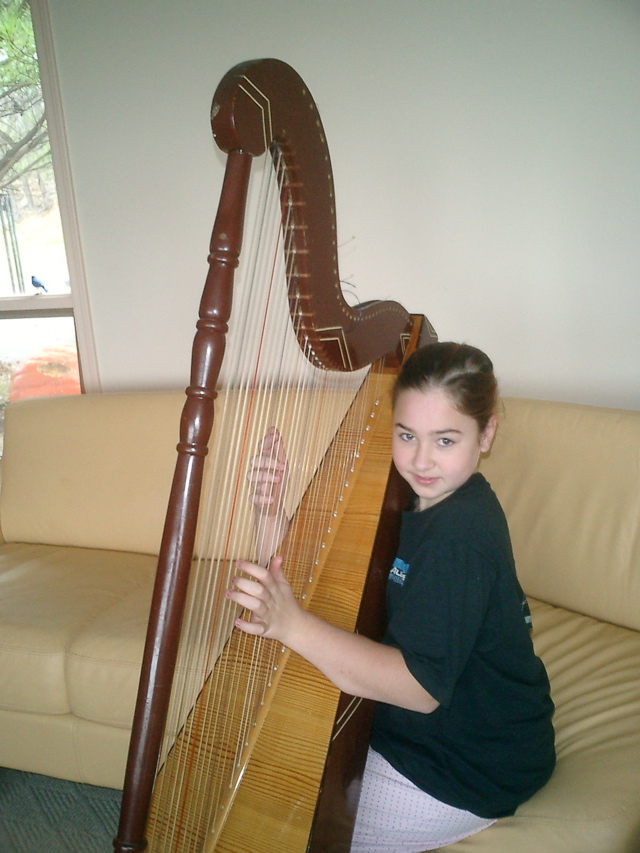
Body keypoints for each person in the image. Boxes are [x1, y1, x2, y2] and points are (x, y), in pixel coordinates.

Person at [227, 342, 556, 852]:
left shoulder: (460, 533)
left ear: (486, 433)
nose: (421, 459)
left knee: (283, 821)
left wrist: (291, 625)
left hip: (471, 763)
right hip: (408, 733)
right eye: (407, 435)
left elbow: (419, 688)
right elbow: (329, 589)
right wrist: (270, 512)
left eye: (445, 440)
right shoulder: (410, 497)